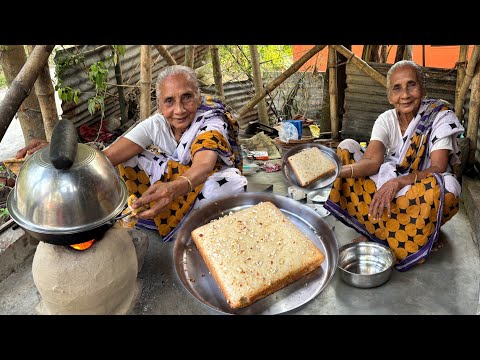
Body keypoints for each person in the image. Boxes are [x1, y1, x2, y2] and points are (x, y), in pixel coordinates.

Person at [16, 65, 248, 242]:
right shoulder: (156, 124)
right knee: (121, 161)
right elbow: (105, 157)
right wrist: (57, 148)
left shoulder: (212, 121)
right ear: (159, 105)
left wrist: (173, 189)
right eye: (169, 101)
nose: (179, 109)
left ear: (198, 96)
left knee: (231, 185)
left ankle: (184, 222)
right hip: (178, 180)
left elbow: (203, 166)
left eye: (187, 97)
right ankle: (166, 212)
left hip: (207, 178)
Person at [323, 60, 464, 272]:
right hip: (391, 180)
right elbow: (372, 161)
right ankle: (377, 229)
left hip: (419, 189)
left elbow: (438, 166)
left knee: (449, 186)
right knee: (347, 147)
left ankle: (413, 234)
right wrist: (337, 172)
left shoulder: (440, 117)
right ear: (390, 96)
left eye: (411, 85)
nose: (405, 94)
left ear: (422, 89)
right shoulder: (386, 120)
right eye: (397, 88)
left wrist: (400, 181)